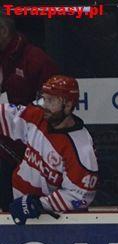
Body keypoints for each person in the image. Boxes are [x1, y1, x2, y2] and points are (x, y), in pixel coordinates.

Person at [0, 75, 97, 225]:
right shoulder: (38, 116)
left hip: (55, 222)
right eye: (44, 99)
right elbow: (10, 117)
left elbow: (81, 196)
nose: (44, 105)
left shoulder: (81, 148)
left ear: (68, 105)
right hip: (18, 205)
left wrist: (39, 204)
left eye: (51, 100)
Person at [0, 16, 58, 211]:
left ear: (3, 31)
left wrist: (21, 116)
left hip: (24, 151)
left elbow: (52, 103)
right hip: (3, 146)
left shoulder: (35, 59)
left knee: (15, 206)